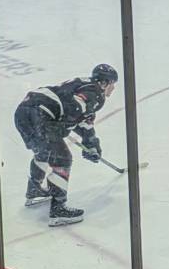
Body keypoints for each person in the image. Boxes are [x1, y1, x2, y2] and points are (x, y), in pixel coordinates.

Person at [13, 64, 118, 226]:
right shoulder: (96, 93)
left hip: (24, 111)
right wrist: (61, 127)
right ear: (104, 83)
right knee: (62, 158)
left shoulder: (83, 84)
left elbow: (83, 122)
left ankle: (34, 190)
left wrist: (91, 144)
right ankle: (58, 209)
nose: (113, 89)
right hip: (40, 114)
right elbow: (75, 107)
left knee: (43, 151)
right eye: (113, 84)